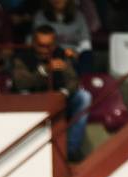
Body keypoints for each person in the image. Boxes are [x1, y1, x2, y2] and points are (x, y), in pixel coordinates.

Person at [12, 24, 91, 162]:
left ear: (54, 45)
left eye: (48, 46)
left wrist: (64, 93)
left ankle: (71, 150)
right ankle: (25, 150)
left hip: (59, 102)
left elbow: (73, 80)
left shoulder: (60, 55)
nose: (44, 50)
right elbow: (21, 83)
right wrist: (44, 71)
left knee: (84, 97)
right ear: (33, 43)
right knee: (22, 95)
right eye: (41, 45)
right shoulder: (22, 57)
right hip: (33, 103)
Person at [33, 0, 93, 74]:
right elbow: (38, 40)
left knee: (87, 55)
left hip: (74, 54)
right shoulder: (40, 16)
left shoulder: (79, 16)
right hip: (51, 52)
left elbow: (86, 43)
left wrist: (76, 52)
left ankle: (84, 83)